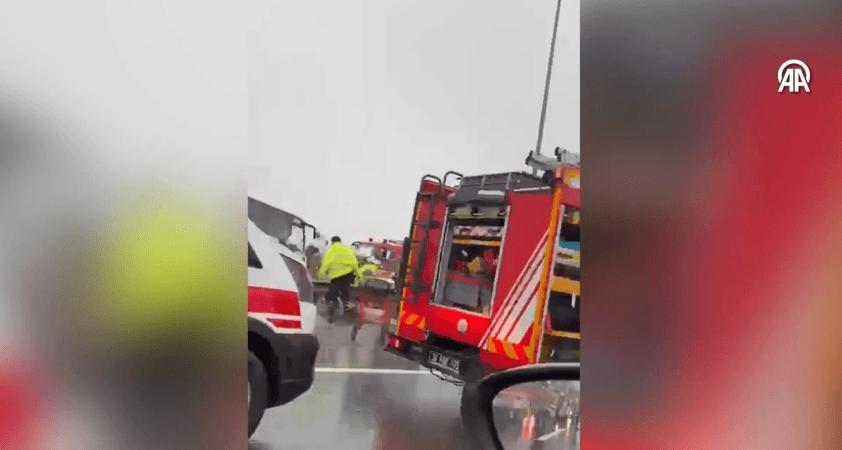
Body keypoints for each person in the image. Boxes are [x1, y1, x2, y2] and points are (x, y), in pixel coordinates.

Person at [318, 236, 362, 323]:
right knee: (346, 295)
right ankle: (347, 314)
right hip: (348, 276)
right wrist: (359, 277)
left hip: (336, 277)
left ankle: (332, 311)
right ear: (340, 241)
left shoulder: (330, 250)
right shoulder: (348, 249)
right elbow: (355, 264)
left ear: (332, 242)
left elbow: (325, 264)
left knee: (331, 295)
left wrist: (320, 276)